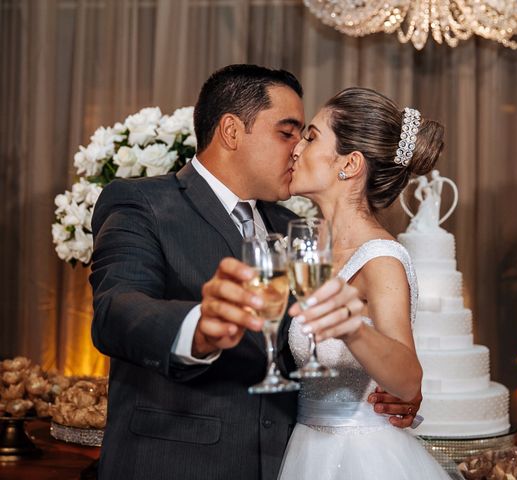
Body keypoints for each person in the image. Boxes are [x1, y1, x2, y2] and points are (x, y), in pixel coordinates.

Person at [90, 65, 421, 480]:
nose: (297, 148)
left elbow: (325, 352)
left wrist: (389, 387)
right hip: (178, 464)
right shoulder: (144, 204)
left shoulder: (293, 228)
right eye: (287, 133)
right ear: (231, 131)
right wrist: (198, 327)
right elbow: (116, 311)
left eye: (306, 136)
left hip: (291, 461)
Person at [278, 87, 450, 479]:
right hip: (304, 445)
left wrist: (351, 328)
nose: (296, 149)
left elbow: (408, 379)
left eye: (311, 136)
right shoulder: (303, 243)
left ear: (350, 164)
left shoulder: (381, 259)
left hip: (360, 455)